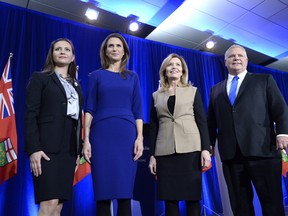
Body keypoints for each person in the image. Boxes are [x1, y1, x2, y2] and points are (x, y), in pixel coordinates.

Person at [207, 44, 288, 216]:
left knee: (271, 202)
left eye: (240, 55)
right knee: (240, 205)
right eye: (231, 56)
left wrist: (282, 133)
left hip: (262, 150)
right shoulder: (216, 90)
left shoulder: (264, 80)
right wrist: (208, 144)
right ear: (225, 61)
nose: (236, 58)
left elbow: (281, 110)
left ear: (246, 60)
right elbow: (210, 121)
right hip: (231, 155)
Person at [82, 33, 143, 216]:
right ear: (105, 51)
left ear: (124, 51)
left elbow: (138, 110)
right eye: (111, 46)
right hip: (101, 136)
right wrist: (86, 140)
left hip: (126, 135)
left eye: (118, 46)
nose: (115, 49)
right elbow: (89, 109)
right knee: (103, 192)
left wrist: (140, 138)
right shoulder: (96, 76)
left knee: (125, 194)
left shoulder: (133, 77)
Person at [24, 38, 83, 216]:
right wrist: (34, 148)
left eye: (67, 49)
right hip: (46, 150)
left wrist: (78, 152)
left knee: (58, 206)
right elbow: (30, 115)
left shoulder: (77, 85)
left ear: (73, 57)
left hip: (69, 151)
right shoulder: (40, 78)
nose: (62, 51)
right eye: (58, 49)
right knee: (48, 203)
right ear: (52, 54)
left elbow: (77, 120)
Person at [148, 53, 211, 216]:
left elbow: (202, 121)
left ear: (182, 70)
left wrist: (205, 149)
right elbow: (154, 126)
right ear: (164, 70)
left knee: (192, 198)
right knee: (170, 199)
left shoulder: (193, 91)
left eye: (177, 64)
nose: (174, 67)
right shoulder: (156, 95)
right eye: (170, 64)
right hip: (165, 152)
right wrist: (153, 155)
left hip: (190, 149)